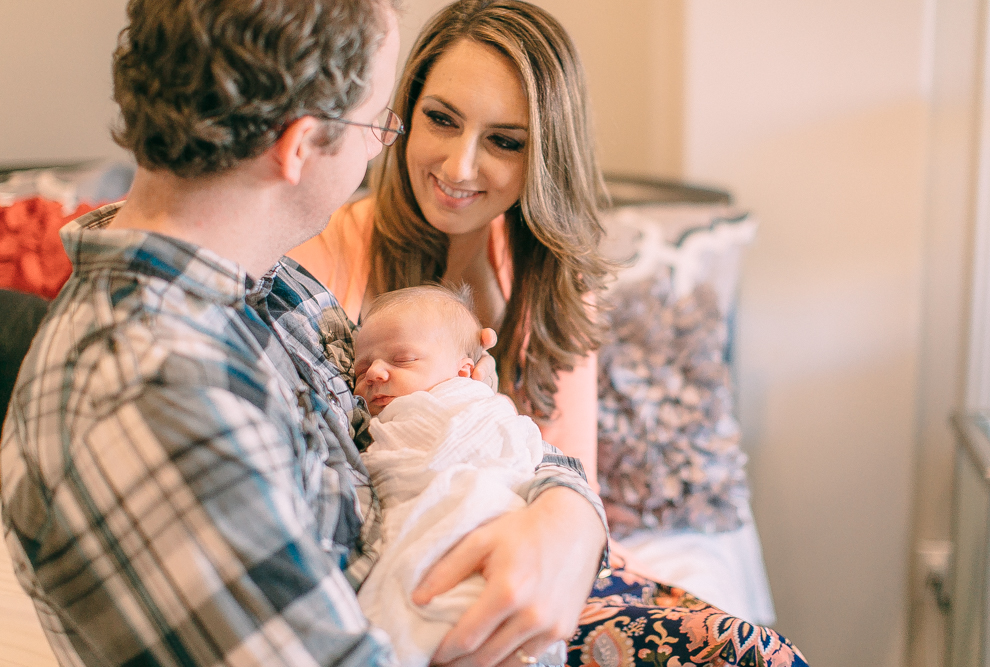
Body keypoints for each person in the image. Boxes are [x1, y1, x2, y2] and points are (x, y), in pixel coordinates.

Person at [0, 0, 611, 664]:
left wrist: (570, 517)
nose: (387, 141)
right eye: (381, 120)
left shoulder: (277, 287)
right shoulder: (147, 395)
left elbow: (448, 426)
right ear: (300, 144)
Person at [289, 1, 810, 664]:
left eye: (504, 141)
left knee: (753, 651)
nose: (458, 166)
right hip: (400, 575)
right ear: (405, 112)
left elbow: (570, 480)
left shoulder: (557, 286)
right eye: (440, 119)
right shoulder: (323, 254)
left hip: (537, 563)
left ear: (544, 155)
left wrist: (563, 538)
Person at [353, 285, 565, 667]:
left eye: (401, 360)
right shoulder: (376, 427)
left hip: (493, 535)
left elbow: (518, 450)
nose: (375, 373)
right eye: (361, 368)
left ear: (464, 373)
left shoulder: (474, 409)